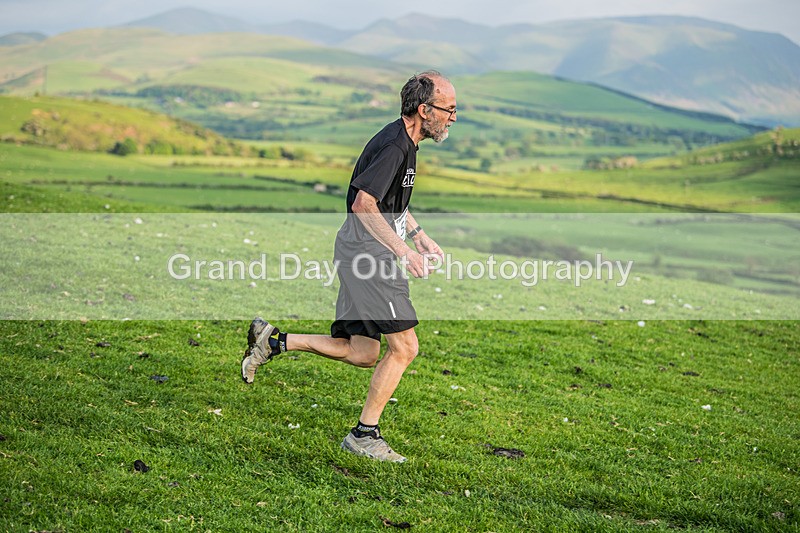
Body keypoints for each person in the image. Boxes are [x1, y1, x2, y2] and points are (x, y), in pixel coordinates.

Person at [241, 70, 457, 463]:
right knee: (405, 347)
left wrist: (417, 233)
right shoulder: (394, 146)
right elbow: (363, 204)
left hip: (361, 251)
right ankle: (364, 435)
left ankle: (272, 340)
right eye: (450, 109)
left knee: (361, 352)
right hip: (369, 257)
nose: (453, 118)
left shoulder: (406, 143)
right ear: (425, 110)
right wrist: (403, 253)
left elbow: (387, 201)